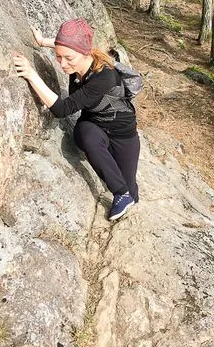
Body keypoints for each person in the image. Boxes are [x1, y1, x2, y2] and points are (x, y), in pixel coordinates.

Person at [13, 18, 140, 221]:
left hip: (122, 135)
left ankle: (126, 193)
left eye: (68, 58)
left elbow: (62, 109)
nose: (63, 64)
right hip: (95, 127)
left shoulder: (104, 77)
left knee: (132, 192)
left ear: (86, 54)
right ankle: (120, 194)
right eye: (58, 57)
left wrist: (31, 74)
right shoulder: (76, 62)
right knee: (84, 133)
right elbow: (66, 48)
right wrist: (42, 41)